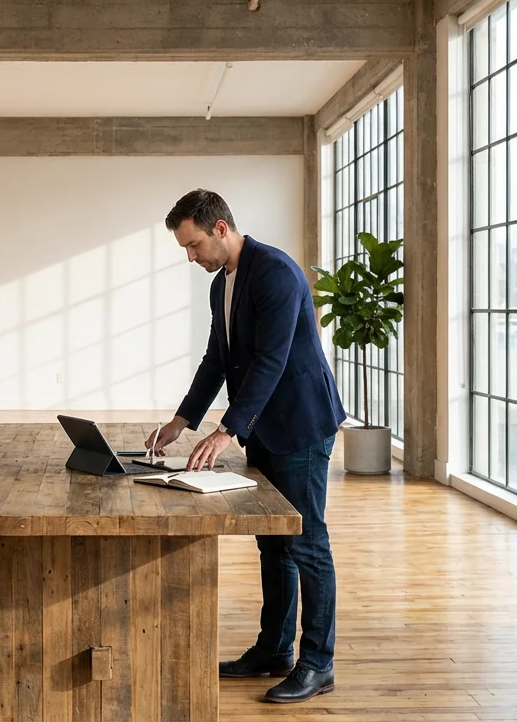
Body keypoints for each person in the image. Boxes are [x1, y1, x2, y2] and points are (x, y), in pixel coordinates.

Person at [145, 188, 345, 704]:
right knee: (272, 541)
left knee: (305, 540)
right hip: (265, 425)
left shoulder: (275, 271)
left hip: (300, 423)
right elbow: (218, 359)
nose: (191, 258)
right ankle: (274, 649)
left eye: (192, 245)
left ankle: (318, 663)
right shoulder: (223, 284)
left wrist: (227, 430)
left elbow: (272, 361)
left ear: (219, 229)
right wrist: (182, 420)